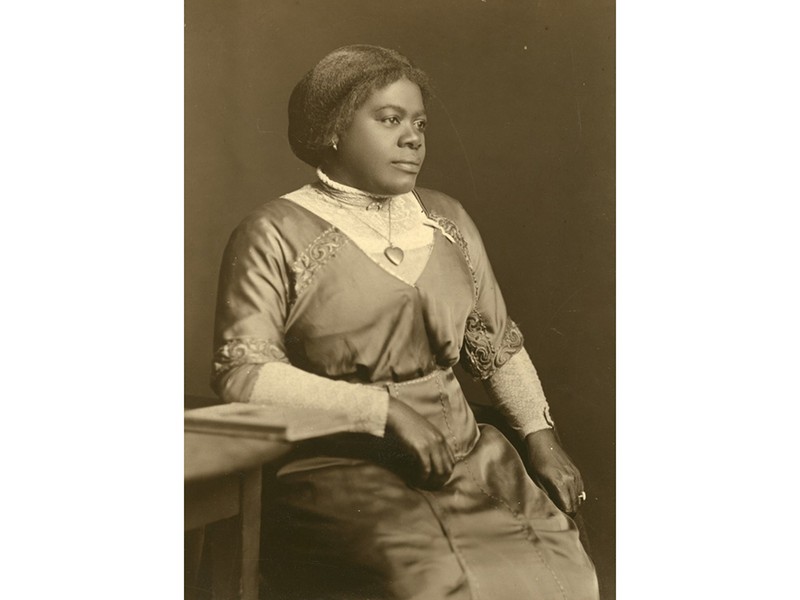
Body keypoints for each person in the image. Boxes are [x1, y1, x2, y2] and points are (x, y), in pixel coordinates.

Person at [212, 45, 599, 600]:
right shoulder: (273, 230)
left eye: (419, 123)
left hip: (469, 456)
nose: (413, 138)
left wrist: (540, 437)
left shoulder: (447, 219)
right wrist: (383, 412)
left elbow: (495, 343)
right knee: (430, 583)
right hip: (341, 463)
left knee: (568, 578)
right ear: (333, 129)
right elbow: (242, 375)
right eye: (390, 120)